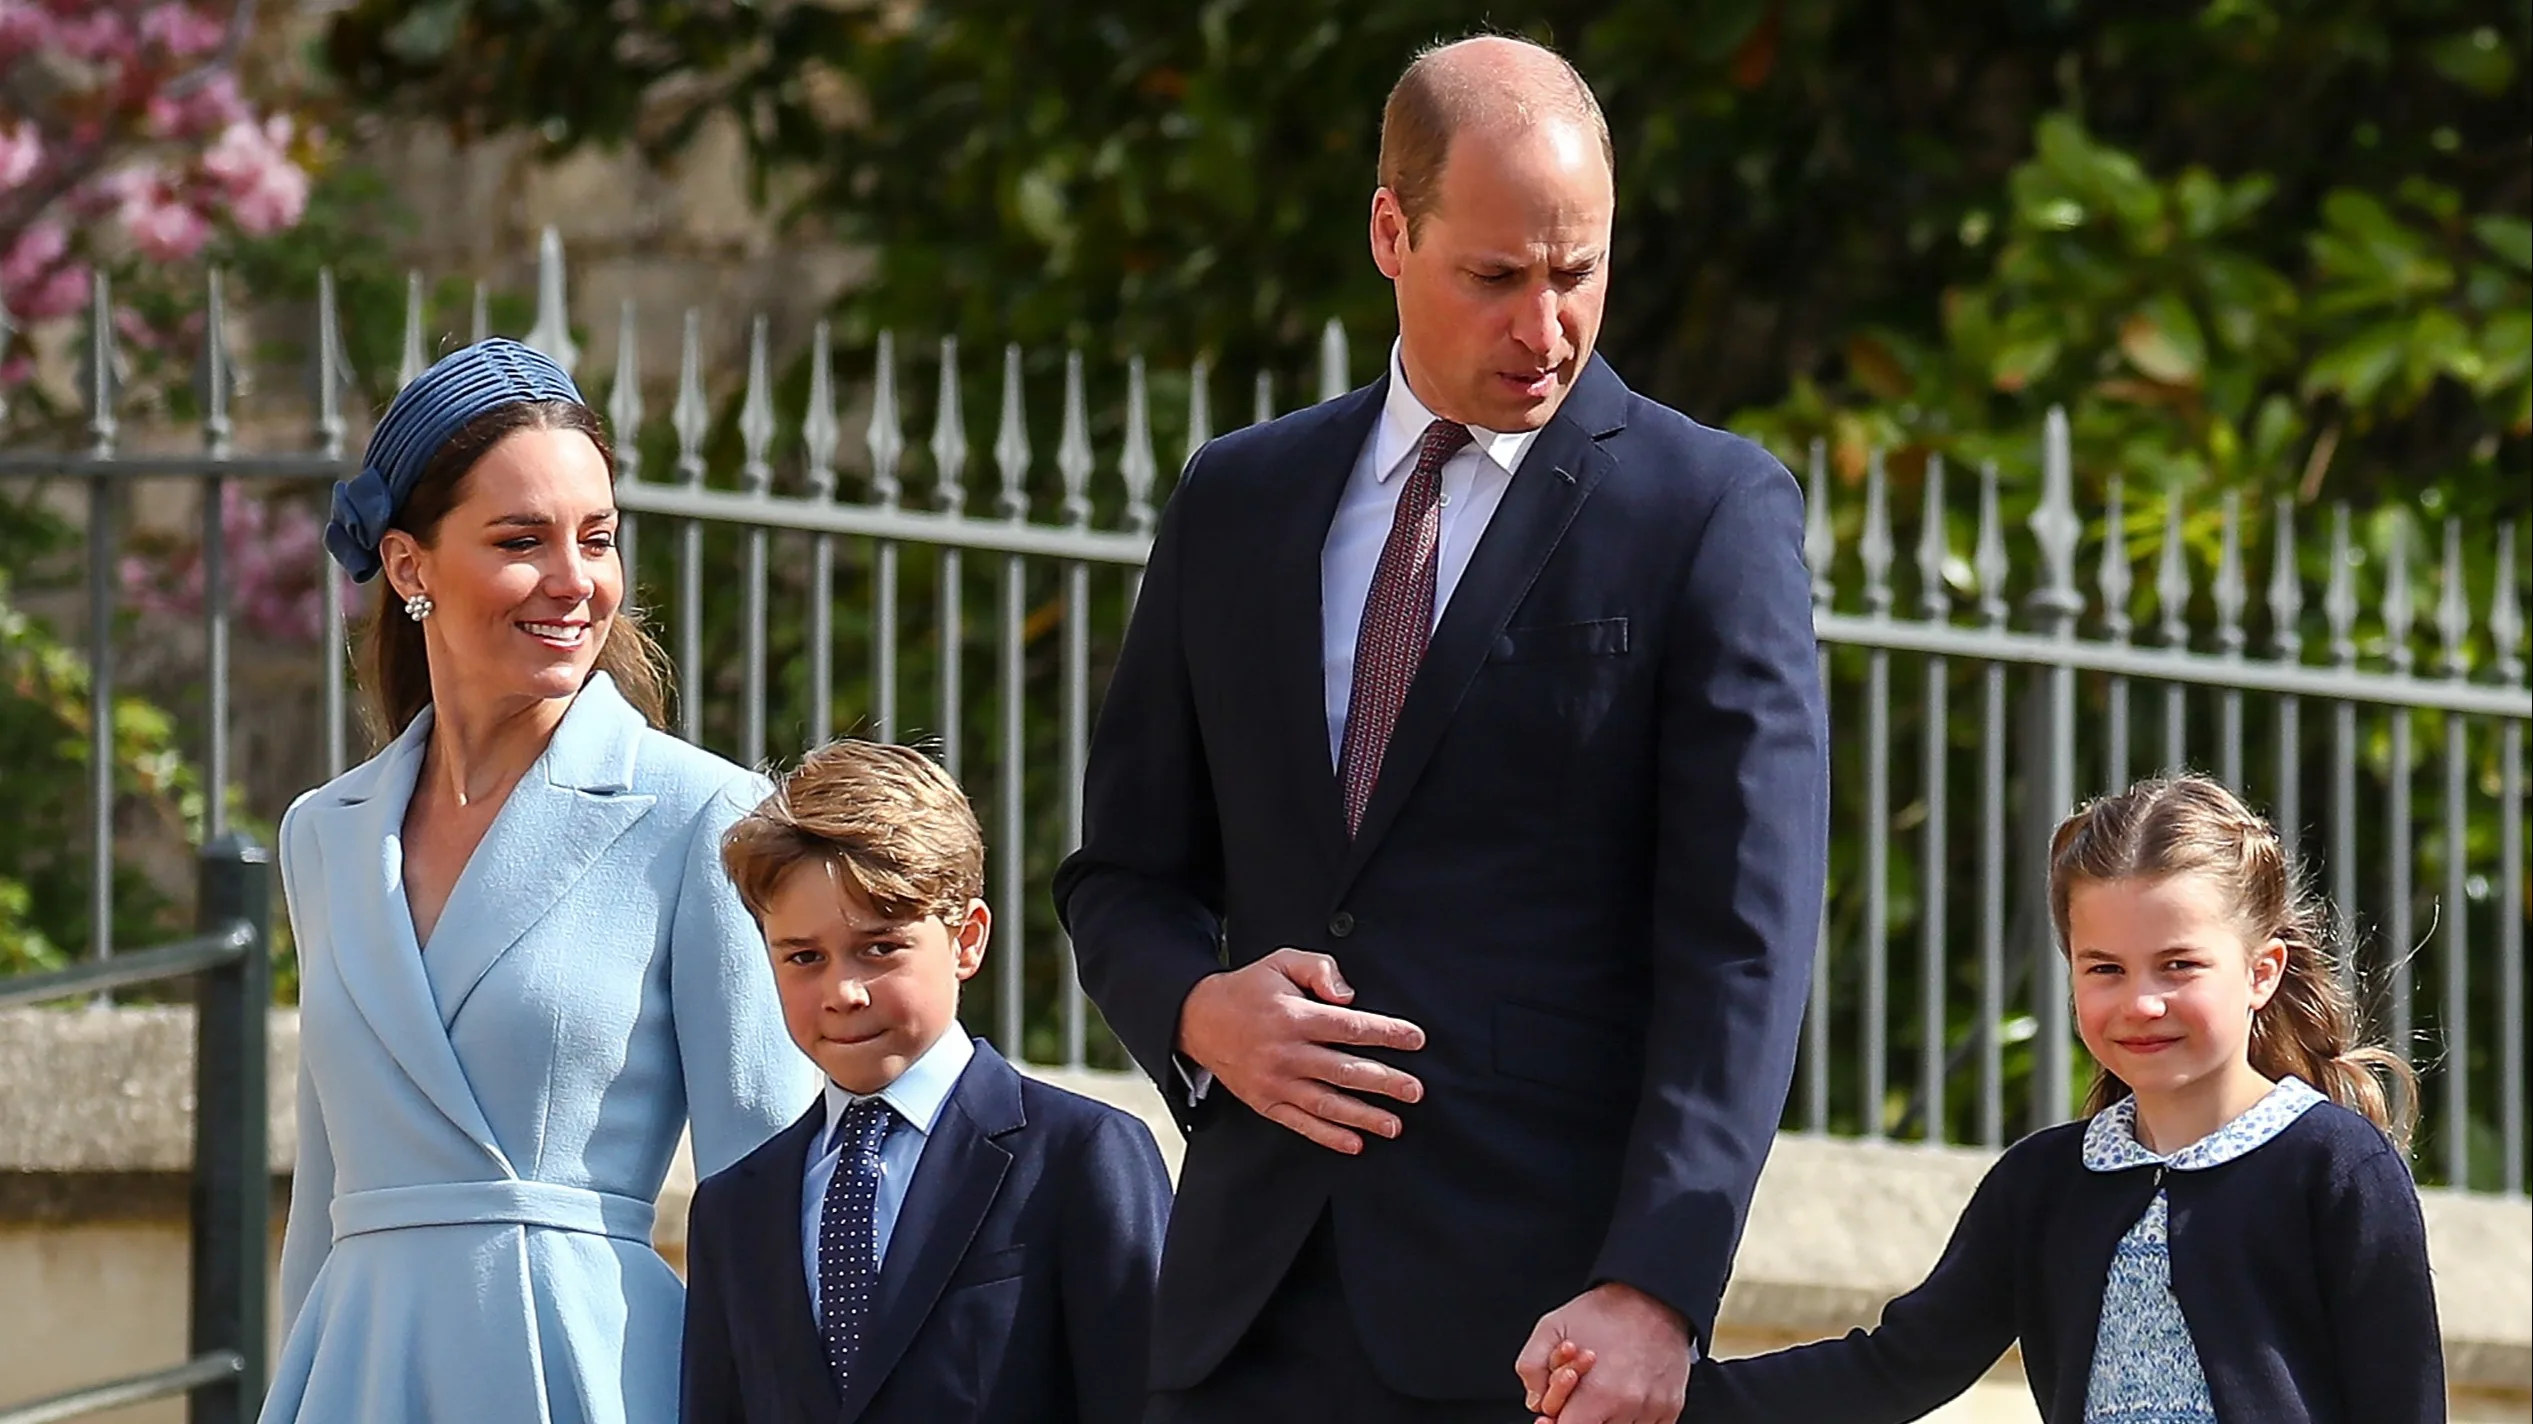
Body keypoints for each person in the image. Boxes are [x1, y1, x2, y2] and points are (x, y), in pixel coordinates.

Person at [1053, 33, 1829, 1424]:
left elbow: (1742, 950)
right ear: (1390, 232)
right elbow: (1122, 875)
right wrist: (1198, 1011)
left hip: (1548, 1336)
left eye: (1578, 272)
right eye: (1497, 278)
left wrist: (1655, 1288)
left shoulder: (1708, 514)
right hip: (1243, 1320)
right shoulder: (1237, 499)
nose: (1546, 330)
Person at [263, 338, 818, 1424]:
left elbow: (766, 1189)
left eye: (598, 538)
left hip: (588, 1375)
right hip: (354, 1377)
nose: (576, 581)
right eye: (523, 539)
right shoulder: (321, 834)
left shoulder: (706, 813)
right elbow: (326, 1206)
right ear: (409, 566)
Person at [1555, 773, 2445, 1424]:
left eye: (2178, 966)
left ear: (2260, 973)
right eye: (2103, 969)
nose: (2139, 1001)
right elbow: (1893, 1371)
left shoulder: (2336, 1166)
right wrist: (1665, 1402)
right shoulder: (2043, 1185)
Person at [680, 739, 1173, 1424]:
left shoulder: (1080, 1155)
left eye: (879, 947)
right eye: (803, 957)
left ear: (966, 940)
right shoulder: (733, 1209)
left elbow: (1145, 1397)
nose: (842, 991)